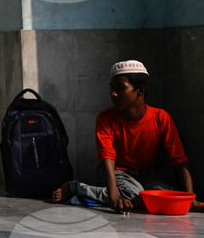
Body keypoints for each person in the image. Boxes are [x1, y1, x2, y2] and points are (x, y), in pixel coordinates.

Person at [52, 60, 204, 212]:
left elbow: (180, 160)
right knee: (134, 194)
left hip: (146, 176)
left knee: (172, 192)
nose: (113, 94)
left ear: (140, 90)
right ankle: (76, 188)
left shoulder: (161, 117)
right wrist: (113, 199)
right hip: (116, 172)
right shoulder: (105, 119)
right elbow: (107, 159)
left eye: (120, 88)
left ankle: (131, 195)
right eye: (112, 88)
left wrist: (191, 200)